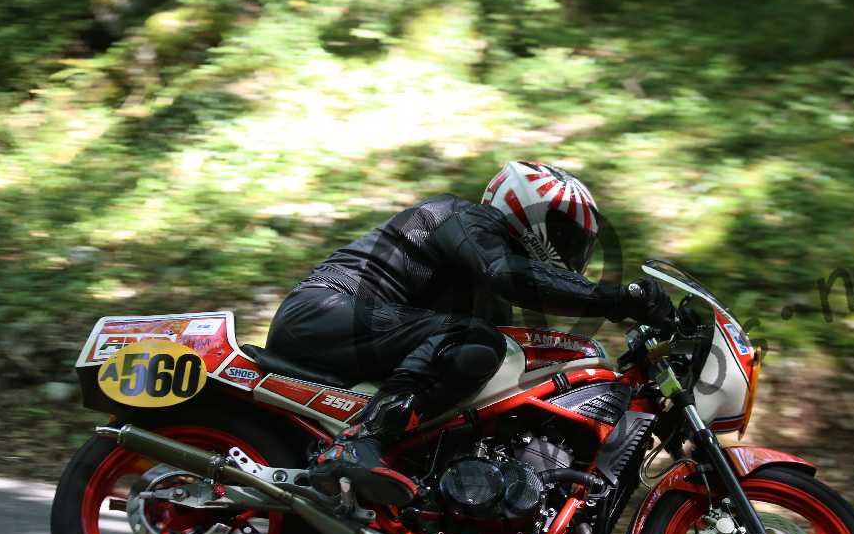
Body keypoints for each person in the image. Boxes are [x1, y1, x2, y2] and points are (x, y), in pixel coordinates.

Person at [266, 160, 672, 505]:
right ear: (526, 209)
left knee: (488, 366)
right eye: (564, 234)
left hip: (350, 332)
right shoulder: (461, 216)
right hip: (324, 312)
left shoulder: (487, 290)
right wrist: (620, 299)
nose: (569, 251)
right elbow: (509, 274)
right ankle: (357, 443)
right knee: (477, 340)